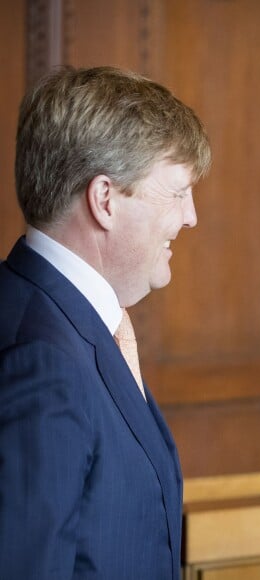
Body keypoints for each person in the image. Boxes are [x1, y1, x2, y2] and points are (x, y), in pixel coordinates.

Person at [0, 66, 211, 579]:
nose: (191, 217)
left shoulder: (61, 318)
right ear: (105, 200)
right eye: (178, 191)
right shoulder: (43, 359)